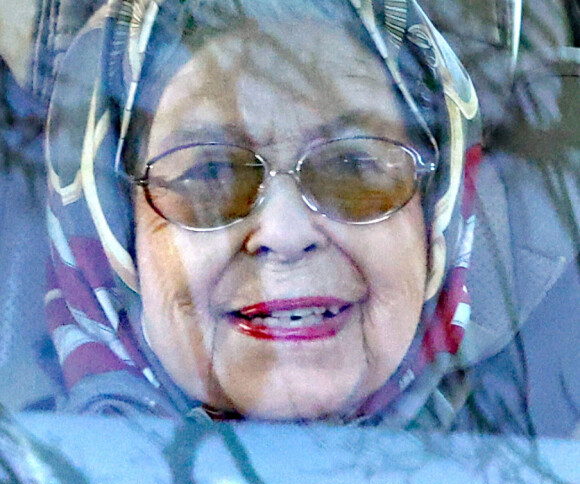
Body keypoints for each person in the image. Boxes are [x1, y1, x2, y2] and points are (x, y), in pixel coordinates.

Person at [43, 0, 485, 426]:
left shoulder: (534, 447)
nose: (285, 233)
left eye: (352, 168)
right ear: (114, 233)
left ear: (435, 215)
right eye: (211, 174)